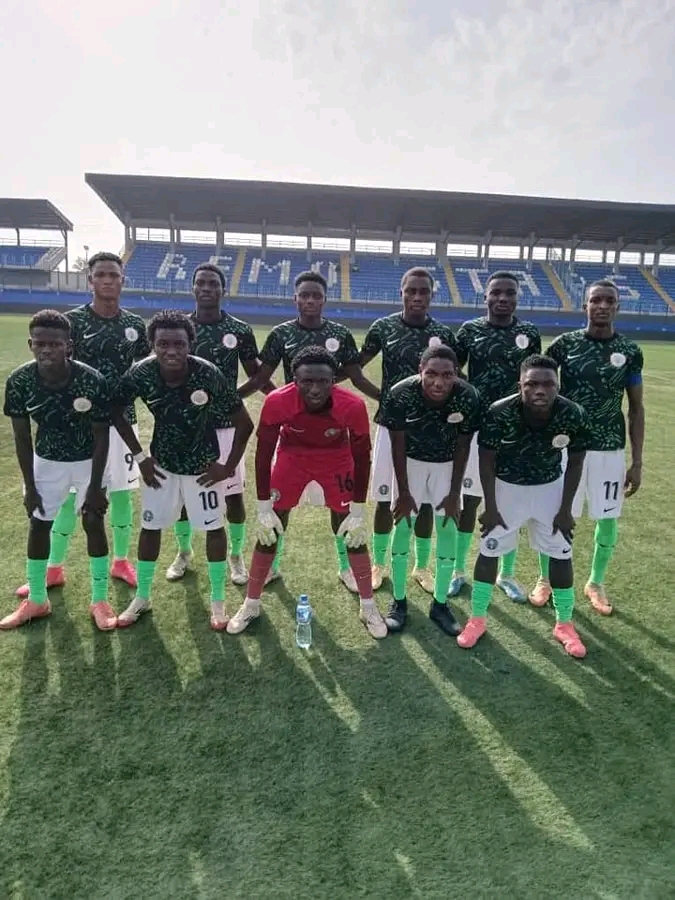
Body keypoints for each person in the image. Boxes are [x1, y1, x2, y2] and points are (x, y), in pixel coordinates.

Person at [226, 345, 387, 639]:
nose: (315, 389)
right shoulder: (277, 400)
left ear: (333, 381)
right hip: (292, 457)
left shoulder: (352, 405)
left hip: (336, 460)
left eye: (323, 381)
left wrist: (358, 508)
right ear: (294, 380)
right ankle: (251, 603)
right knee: (270, 529)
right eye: (307, 381)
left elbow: (362, 457)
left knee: (351, 531)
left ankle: (368, 606)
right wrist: (263, 506)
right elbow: (263, 453)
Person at [14, 251, 149, 600]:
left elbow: (145, 372)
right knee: (66, 499)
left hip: (121, 422)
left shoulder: (135, 325)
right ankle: (53, 567)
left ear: (122, 280)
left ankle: (121, 561)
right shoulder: (71, 322)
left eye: (113, 274)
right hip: (77, 427)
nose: (107, 280)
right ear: (90, 280)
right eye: (100, 274)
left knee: (120, 493)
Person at [110, 310, 254, 630]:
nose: (171, 350)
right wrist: (140, 456)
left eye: (179, 343)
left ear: (191, 344)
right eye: (163, 344)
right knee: (150, 528)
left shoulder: (208, 373)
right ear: (152, 344)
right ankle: (142, 597)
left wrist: (227, 467)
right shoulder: (142, 373)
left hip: (203, 469)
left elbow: (245, 423)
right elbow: (116, 410)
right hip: (161, 467)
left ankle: (217, 602)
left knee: (214, 529)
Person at [240, 270, 380, 593]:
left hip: (332, 432)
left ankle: (346, 568)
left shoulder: (340, 333)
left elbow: (356, 377)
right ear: (295, 298)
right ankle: (271, 567)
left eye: (316, 295)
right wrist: (281, 401)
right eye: (305, 295)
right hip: (294, 433)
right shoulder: (281, 333)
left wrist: (386, 400)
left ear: (324, 299)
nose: (310, 300)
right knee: (280, 507)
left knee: (340, 509)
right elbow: (261, 377)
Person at [456, 355, 590, 657]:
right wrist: (491, 507)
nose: (540, 390)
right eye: (532, 384)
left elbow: (576, 462)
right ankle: (477, 619)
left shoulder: (573, 413)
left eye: (548, 384)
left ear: (557, 386)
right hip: (507, 489)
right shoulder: (499, 412)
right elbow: (486, 461)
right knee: (489, 551)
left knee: (561, 553)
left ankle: (564, 624)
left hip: (549, 490)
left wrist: (565, 509)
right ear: (520, 385)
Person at [529, 280, 644, 615]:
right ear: (585, 306)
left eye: (609, 300)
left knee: (607, 517)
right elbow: (537, 390)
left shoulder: (630, 351)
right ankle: (545, 578)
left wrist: (637, 462)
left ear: (617, 307)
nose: (602, 306)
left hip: (609, 449)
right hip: (565, 447)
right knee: (553, 513)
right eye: (596, 300)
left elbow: (636, 408)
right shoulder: (564, 345)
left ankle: (595, 582)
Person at [2, 310, 115, 631]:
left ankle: (99, 599)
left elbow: (101, 436)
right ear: (31, 344)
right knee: (39, 524)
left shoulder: (92, 380)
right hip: (47, 462)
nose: (47, 349)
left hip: (88, 462)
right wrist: (30, 486)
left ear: (69, 346)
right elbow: (22, 438)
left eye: (55, 343)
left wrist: (95, 486)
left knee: (93, 521)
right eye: (40, 343)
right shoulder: (20, 381)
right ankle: (37, 599)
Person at [165, 263, 273, 585]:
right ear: (193, 288)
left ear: (223, 290)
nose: (207, 288)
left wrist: (232, 398)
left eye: (213, 283)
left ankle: (236, 556)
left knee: (233, 495)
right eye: (201, 283)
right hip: (187, 427)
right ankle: (184, 552)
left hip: (226, 426)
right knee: (184, 495)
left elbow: (257, 374)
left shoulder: (239, 330)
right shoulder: (179, 329)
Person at [359, 267, 457, 594]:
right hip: (392, 426)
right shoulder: (383, 327)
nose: (417, 297)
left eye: (423, 291)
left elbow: (454, 378)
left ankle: (421, 566)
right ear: (400, 293)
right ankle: (379, 563)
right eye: (411, 291)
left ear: (432, 295)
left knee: (425, 501)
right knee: (385, 497)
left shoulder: (443, 333)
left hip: (432, 430)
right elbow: (355, 367)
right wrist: (383, 398)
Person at [449, 271, 542, 603]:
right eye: (496, 292)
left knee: (509, 502)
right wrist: (471, 391)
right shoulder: (469, 331)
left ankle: (507, 573)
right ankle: (458, 570)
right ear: (485, 296)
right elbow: (452, 368)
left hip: (516, 430)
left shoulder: (529, 333)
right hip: (477, 426)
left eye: (510, 293)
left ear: (517, 297)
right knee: (469, 501)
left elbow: (534, 378)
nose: (503, 298)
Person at [379, 345, 481, 634]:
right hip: (409, 463)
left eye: (447, 375)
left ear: (456, 374)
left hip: (447, 466)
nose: (439, 382)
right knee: (402, 527)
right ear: (420, 371)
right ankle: (399, 601)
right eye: (431, 374)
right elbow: (397, 445)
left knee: (447, 527)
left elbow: (464, 446)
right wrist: (404, 492)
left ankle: (440, 604)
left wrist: (454, 493)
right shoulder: (401, 393)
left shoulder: (468, 396)